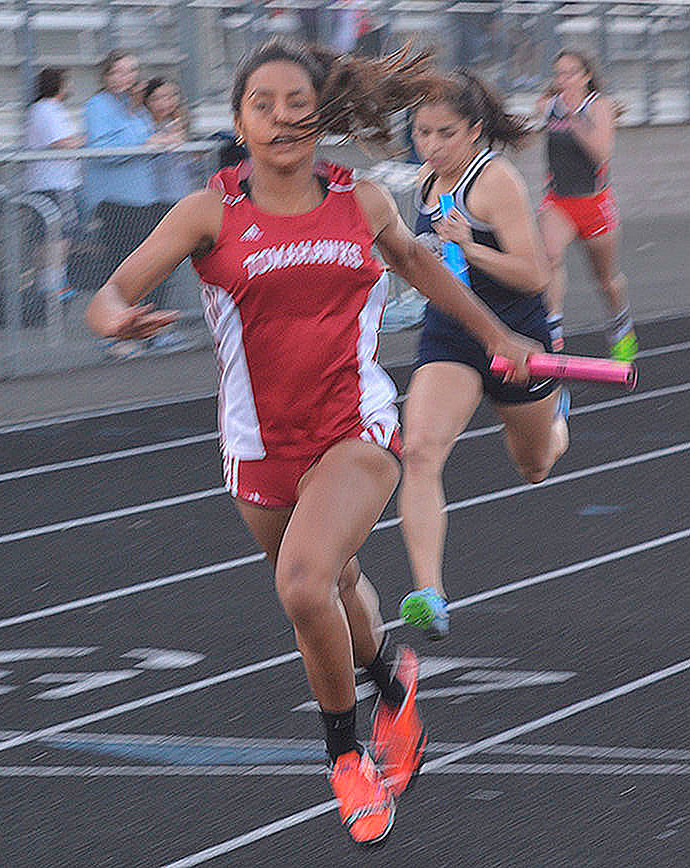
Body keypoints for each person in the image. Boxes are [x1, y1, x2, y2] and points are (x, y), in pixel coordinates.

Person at [85, 40, 536, 846]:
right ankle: (390, 687)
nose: (283, 119)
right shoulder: (208, 213)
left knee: (302, 586)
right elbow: (113, 290)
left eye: (299, 104)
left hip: (354, 430)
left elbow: (421, 268)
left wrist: (499, 333)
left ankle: (344, 756)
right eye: (264, 105)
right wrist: (114, 317)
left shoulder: (360, 201)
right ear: (239, 120)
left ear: (321, 115)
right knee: (334, 593)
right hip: (258, 448)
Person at [397, 72, 568, 641]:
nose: (433, 145)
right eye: (422, 132)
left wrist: (469, 244)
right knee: (418, 451)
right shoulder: (424, 181)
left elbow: (534, 274)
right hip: (451, 333)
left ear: (474, 131)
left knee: (535, 466)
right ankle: (429, 591)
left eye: (446, 133)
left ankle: (558, 415)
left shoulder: (495, 181)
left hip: (515, 334)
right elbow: (425, 268)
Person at [536, 49, 636, 360]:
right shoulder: (548, 105)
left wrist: (573, 118)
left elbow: (601, 153)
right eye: (559, 73)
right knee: (549, 258)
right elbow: (525, 125)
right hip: (559, 203)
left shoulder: (599, 107)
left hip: (594, 205)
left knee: (605, 279)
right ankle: (552, 329)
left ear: (585, 76)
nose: (563, 80)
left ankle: (620, 327)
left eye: (570, 73)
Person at [84, 51, 183, 358]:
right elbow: (103, 150)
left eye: (130, 71)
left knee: (147, 268)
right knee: (120, 271)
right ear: (106, 75)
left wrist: (163, 141)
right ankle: (113, 336)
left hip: (144, 200)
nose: (125, 78)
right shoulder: (97, 106)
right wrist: (146, 144)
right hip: (117, 202)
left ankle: (150, 332)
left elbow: (147, 143)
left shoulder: (134, 108)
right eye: (118, 72)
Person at [141, 76, 196, 353]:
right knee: (157, 270)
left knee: (170, 271)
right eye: (158, 98)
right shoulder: (144, 126)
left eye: (170, 97)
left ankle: (162, 328)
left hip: (178, 201)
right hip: (157, 203)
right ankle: (153, 331)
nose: (166, 103)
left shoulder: (177, 124)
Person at [24, 67, 84, 305]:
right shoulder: (47, 109)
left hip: (51, 181)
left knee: (49, 234)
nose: (70, 87)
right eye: (66, 82)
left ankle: (48, 283)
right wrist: (84, 140)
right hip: (54, 183)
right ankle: (54, 283)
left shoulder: (45, 109)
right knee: (58, 235)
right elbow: (61, 142)